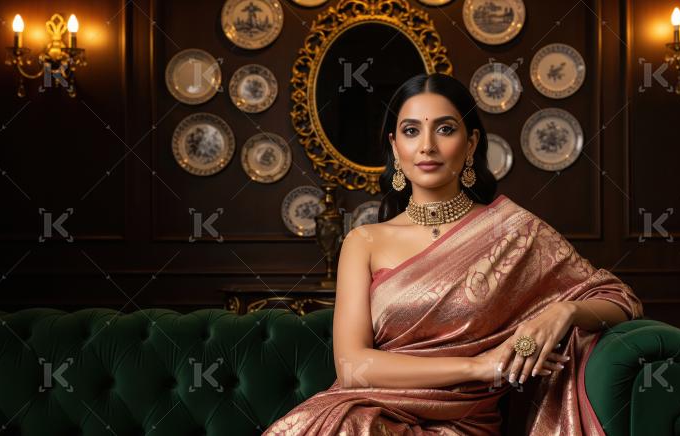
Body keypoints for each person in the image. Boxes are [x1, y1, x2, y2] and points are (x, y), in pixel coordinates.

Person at [263, 73, 643, 435]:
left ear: (471, 143)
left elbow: (620, 300)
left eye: (445, 129)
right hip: (366, 410)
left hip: (460, 423)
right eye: (412, 131)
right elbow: (351, 367)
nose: (427, 145)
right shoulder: (364, 241)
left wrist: (566, 311)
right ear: (395, 146)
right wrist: (479, 366)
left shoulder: (513, 231)